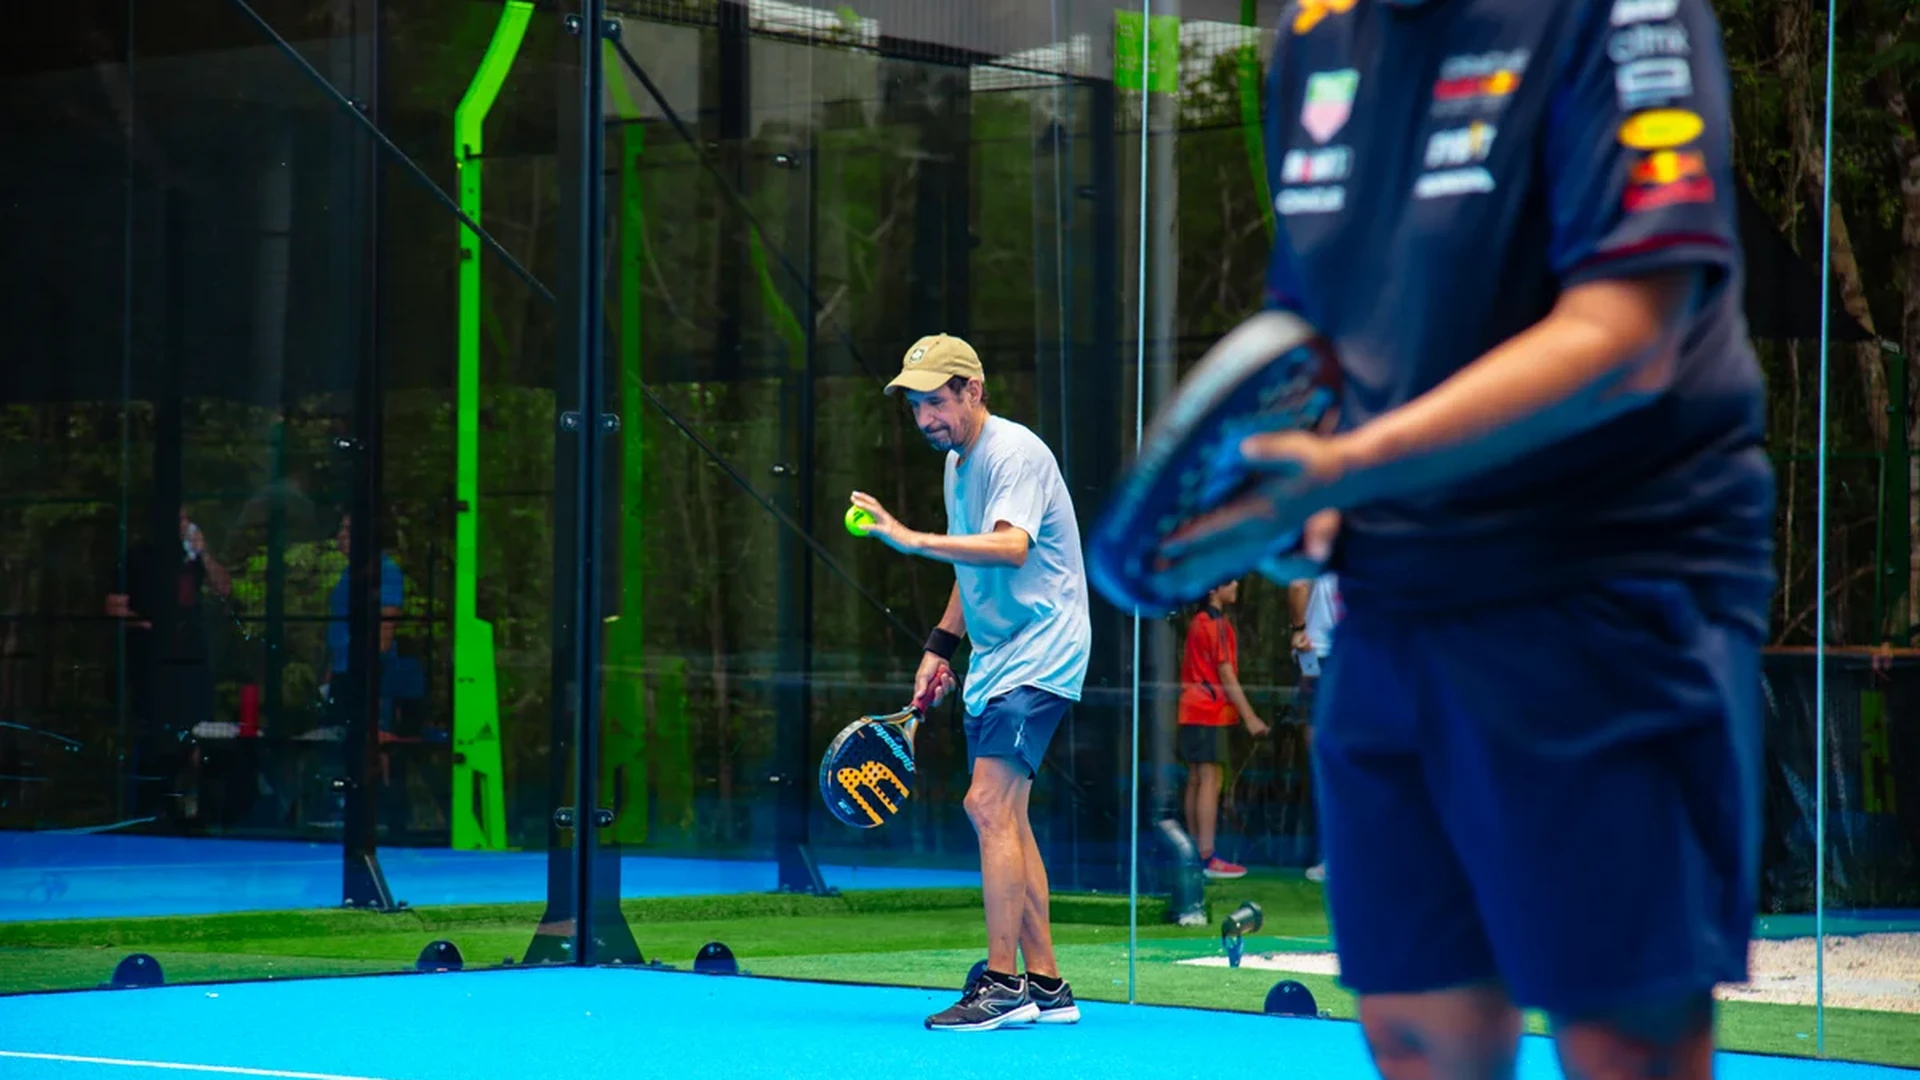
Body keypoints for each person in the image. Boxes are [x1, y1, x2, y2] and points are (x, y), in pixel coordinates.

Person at [1154, 2, 1772, 1077]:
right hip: (1391, 607)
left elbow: (1627, 334)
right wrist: (1311, 511)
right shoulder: (1313, 35)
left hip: (1600, 590)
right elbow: (1323, 350)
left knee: (1623, 1039)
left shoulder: (1617, 14)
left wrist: (1347, 469)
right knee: (1413, 1034)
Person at [849, 333, 1091, 1032]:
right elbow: (975, 566)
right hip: (995, 654)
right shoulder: (958, 466)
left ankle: (1002, 983)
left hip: (1043, 648)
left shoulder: (1013, 453)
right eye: (916, 407)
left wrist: (909, 538)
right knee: (1007, 814)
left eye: (936, 402)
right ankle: (1046, 983)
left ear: (973, 391)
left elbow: (1010, 546)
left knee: (986, 804)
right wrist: (941, 645)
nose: (926, 419)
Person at [107, 507, 231, 825]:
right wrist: (148, 626)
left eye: (186, 519)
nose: (183, 525)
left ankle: (203, 809)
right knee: (155, 738)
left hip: (193, 661)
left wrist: (203, 553)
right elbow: (114, 606)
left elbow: (224, 588)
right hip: (154, 665)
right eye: (177, 519)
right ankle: (150, 808)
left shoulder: (190, 557)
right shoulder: (138, 556)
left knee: (200, 731)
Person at [1175, 578, 1269, 880]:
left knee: (1196, 778)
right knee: (1210, 779)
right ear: (1213, 589)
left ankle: (1193, 855)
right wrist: (1250, 717)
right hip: (1208, 710)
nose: (1237, 584)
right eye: (1229, 580)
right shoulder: (1217, 625)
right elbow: (1226, 674)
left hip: (1190, 709)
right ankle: (1206, 856)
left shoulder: (1197, 623)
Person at [1288, 570, 1339, 883]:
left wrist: (1298, 629)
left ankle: (1332, 856)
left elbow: (1297, 583)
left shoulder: (1317, 530)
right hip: (1349, 650)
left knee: (1324, 762)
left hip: (1319, 650)